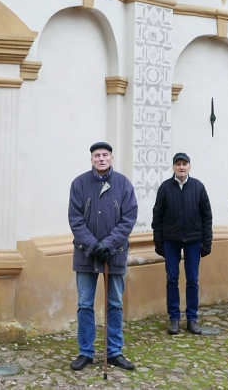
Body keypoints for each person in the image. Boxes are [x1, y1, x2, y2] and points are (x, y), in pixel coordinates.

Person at [68, 142, 137, 371]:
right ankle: (85, 352)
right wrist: (92, 244)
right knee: (85, 305)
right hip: (85, 255)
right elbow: (75, 219)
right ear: (91, 159)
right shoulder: (79, 184)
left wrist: (107, 244)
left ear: (111, 158)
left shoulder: (124, 184)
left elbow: (128, 218)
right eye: (97, 155)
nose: (101, 159)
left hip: (114, 255)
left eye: (105, 155)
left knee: (115, 304)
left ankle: (114, 351)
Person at [152, 152, 213, 335]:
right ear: (173, 167)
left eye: (184, 164)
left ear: (189, 167)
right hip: (171, 240)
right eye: (178, 164)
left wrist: (207, 242)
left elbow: (206, 217)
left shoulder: (198, 187)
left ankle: (192, 319)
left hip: (193, 240)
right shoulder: (165, 188)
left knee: (192, 279)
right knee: (172, 279)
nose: (181, 167)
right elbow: (157, 216)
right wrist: (158, 242)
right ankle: (174, 318)